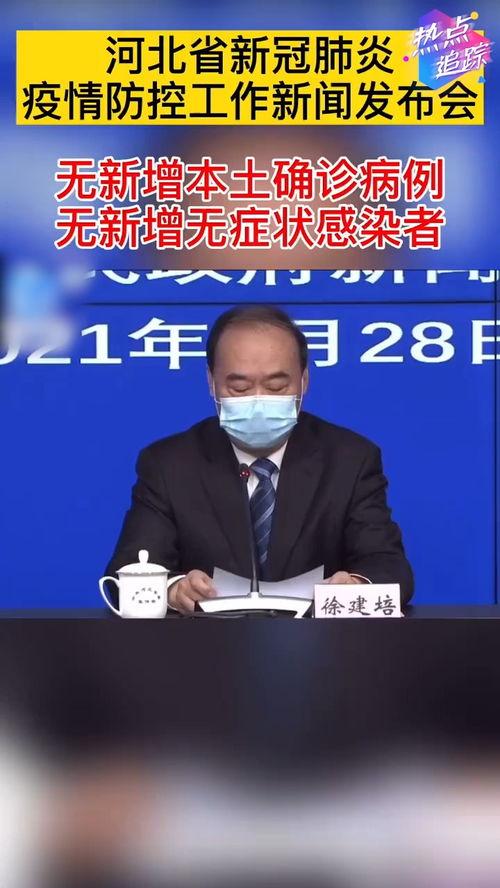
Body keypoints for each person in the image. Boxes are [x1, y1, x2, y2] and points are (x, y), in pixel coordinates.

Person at [105, 304, 413, 613]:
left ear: (304, 381)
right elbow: (127, 571)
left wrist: (357, 586)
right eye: (239, 387)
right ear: (211, 382)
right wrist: (174, 589)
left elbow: (389, 568)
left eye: (277, 386)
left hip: (319, 639)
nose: (258, 401)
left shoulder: (350, 460)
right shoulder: (169, 464)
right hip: (205, 640)